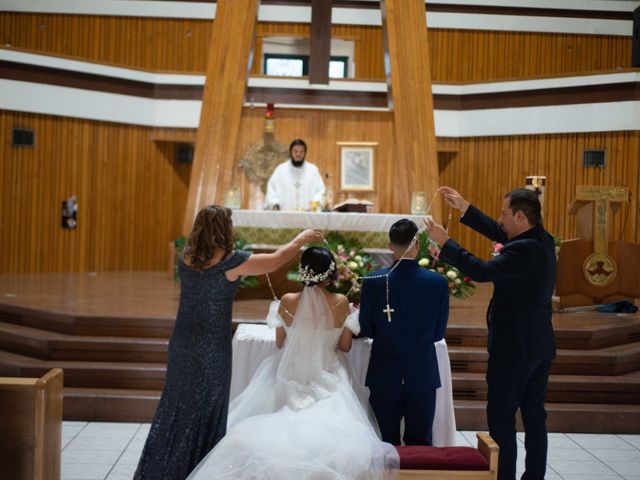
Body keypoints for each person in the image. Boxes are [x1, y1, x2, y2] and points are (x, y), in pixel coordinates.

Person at [134, 205, 321, 480]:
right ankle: (197, 471)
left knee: (175, 406)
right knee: (208, 407)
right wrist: (301, 239)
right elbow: (276, 260)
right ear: (224, 229)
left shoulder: (185, 258)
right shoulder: (232, 262)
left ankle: (160, 470)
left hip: (182, 342)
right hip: (211, 347)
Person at [186, 246, 399, 479]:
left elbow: (280, 342)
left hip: (291, 371)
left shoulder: (287, 301)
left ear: (303, 271)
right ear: (329, 274)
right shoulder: (340, 302)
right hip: (327, 371)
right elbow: (345, 347)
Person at [425, 187, 556, 480]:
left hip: (513, 349)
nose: (501, 219)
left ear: (520, 216)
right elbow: (500, 232)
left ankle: (504, 476)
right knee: (534, 416)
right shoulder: (541, 239)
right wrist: (465, 207)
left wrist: (446, 243)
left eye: (505, 213)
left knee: (501, 418)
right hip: (539, 344)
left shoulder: (523, 249)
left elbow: (482, 270)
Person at [359, 219, 449, 446]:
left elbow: (367, 328)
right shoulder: (438, 282)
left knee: (384, 444)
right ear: (417, 244)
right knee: (420, 443)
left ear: (390, 245)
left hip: (384, 372)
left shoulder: (373, 281)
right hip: (422, 373)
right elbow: (438, 333)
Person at [264, 138, 325, 211]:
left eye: (301, 152)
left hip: (307, 217)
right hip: (284, 217)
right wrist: (275, 204)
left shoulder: (313, 171)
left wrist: (314, 205)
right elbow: (272, 190)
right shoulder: (280, 170)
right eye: (295, 151)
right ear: (291, 152)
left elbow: (320, 191)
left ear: (305, 153)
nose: (298, 154)